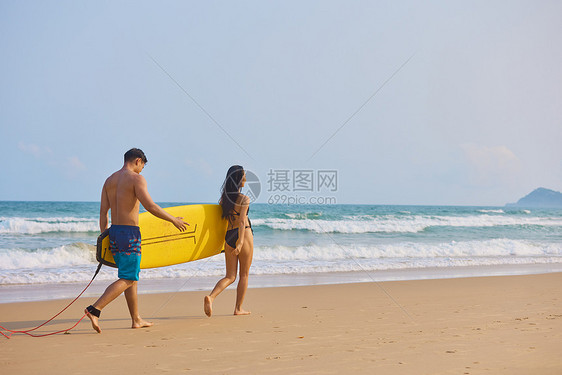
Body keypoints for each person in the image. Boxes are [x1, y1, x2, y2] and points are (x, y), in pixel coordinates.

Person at [85, 148, 188, 333]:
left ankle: (136, 319)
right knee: (129, 277)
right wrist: (173, 219)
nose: (142, 171)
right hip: (129, 234)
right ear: (138, 161)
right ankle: (95, 309)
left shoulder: (109, 180)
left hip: (113, 233)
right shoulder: (136, 179)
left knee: (131, 275)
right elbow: (150, 206)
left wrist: (104, 236)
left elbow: (103, 212)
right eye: (142, 166)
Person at [204, 165, 254, 317]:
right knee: (244, 275)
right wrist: (240, 242)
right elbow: (241, 221)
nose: (245, 178)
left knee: (230, 276)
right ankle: (238, 308)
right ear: (239, 179)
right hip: (243, 235)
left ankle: (211, 297)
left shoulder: (223, 200)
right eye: (244, 175)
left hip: (228, 236)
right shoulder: (244, 199)